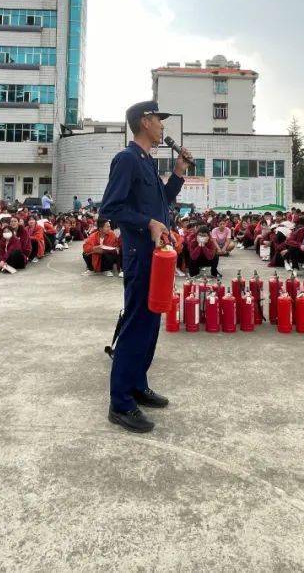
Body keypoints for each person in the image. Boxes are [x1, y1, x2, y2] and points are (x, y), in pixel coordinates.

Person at [99, 100, 188, 433]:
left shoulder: (147, 160)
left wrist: (178, 173)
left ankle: (137, 384)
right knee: (137, 323)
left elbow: (161, 201)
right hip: (140, 254)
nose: (163, 125)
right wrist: (147, 223)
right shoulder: (126, 159)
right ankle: (120, 403)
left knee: (151, 323)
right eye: (158, 119)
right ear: (144, 121)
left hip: (157, 253)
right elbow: (111, 208)